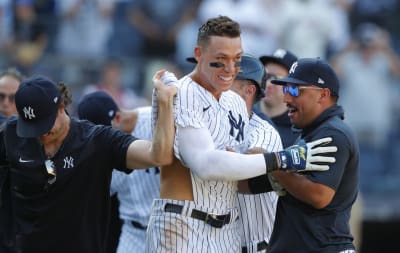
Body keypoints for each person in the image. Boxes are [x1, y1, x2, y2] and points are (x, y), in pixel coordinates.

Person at [145, 16, 337, 253]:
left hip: (228, 231)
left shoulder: (234, 104)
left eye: (236, 60)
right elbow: (205, 165)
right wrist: (283, 159)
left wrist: (289, 172)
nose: (230, 69)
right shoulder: (182, 92)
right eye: (220, 59)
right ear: (198, 53)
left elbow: (237, 175)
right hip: (183, 226)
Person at [0, 71, 176, 253]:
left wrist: (165, 103)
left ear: (61, 107)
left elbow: (158, 156)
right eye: (32, 127)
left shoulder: (96, 141)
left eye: (45, 124)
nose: (40, 134)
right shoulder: (12, 133)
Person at [249, 58, 360, 252]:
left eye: (295, 90)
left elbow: (319, 195)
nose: (287, 99)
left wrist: (272, 164)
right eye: (286, 90)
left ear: (323, 95)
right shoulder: (309, 134)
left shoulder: (333, 133)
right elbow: (254, 185)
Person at [77, 91, 158, 253]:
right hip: (132, 232)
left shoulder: (155, 122)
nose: (100, 139)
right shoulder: (94, 149)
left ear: (118, 118)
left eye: (103, 133)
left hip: (169, 230)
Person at [230, 55, 282, 253]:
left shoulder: (263, 130)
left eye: (229, 80)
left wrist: (223, 158)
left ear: (249, 91)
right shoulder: (214, 121)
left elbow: (255, 160)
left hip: (258, 247)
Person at [254, 48, 299, 148]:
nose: (268, 83)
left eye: (276, 79)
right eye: (265, 75)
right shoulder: (244, 112)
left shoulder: (298, 133)